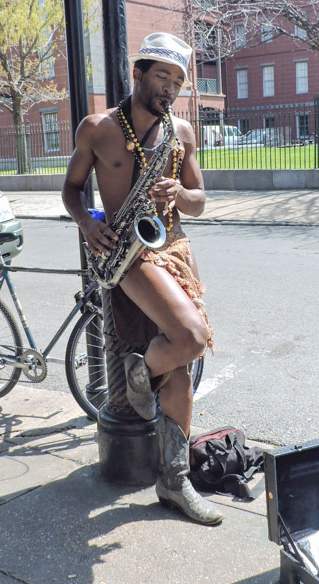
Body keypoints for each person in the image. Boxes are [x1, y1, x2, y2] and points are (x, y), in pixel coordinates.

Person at [62, 33, 222, 526]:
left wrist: (181, 192)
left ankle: (173, 481)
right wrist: (88, 223)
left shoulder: (183, 132)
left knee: (178, 370)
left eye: (177, 80)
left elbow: (201, 199)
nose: (169, 88)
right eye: (161, 77)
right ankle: (137, 373)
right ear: (137, 73)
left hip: (172, 248)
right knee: (192, 338)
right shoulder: (97, 129)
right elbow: (71, 189)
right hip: (127, 257)